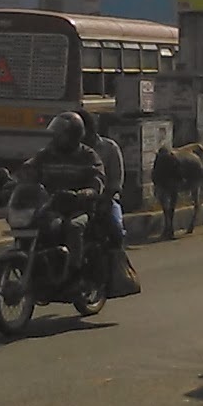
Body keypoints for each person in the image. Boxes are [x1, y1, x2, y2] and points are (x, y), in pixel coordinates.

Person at [16, 112, 106, 279]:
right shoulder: (46, 154)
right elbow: (30, 168)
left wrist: (86, 192)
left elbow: (98, 179)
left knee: (73, 227)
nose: (56, 138)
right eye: (55, 134)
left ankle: (74, 272)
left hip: (78, 208)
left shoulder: (87, 156)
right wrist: (15, 181)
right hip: (50, 205)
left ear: (74, 135)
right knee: (33, 224)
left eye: (61, 135)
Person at [75, 109, 124, 249]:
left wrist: (103, 198)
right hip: (75, 202)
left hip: (104, 201)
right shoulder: (67, 150)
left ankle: (116, 267)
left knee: (116, 229)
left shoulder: (109, 148)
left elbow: (116, 182)